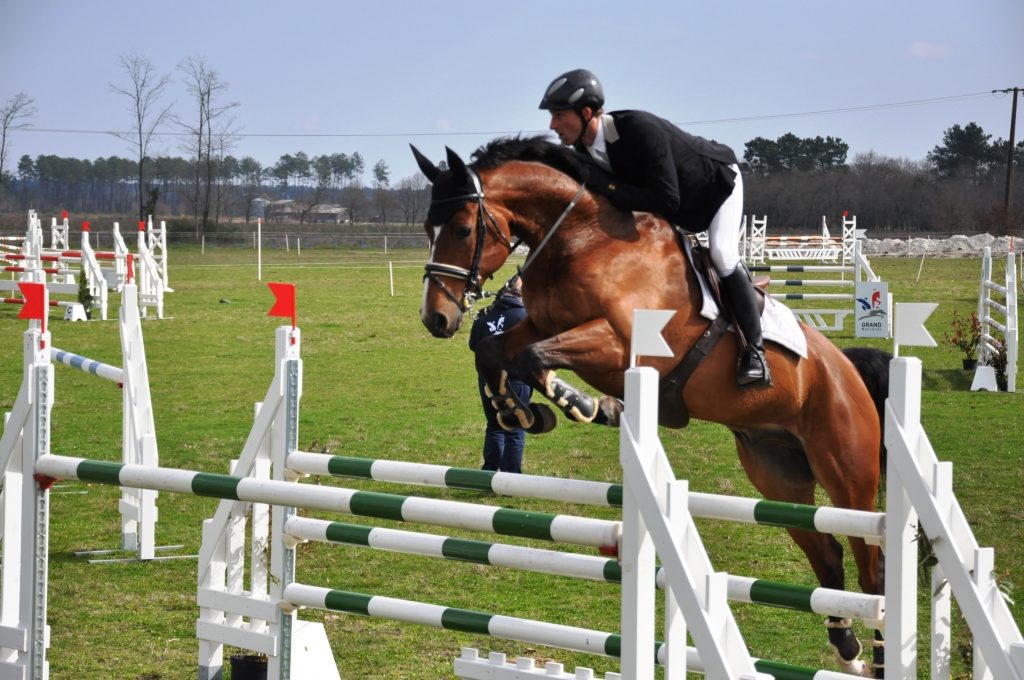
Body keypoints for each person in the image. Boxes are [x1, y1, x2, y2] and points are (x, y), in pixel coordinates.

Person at [539, 69, 771, 388]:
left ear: (586, 113)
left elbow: (667, 198)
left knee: (721, 253)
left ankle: (755, 353)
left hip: (715, 187)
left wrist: (606, 186)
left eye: (558, 115)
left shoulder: (637, 129)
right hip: (677, 208)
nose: (552, 125)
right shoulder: (584, 152)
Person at [468, 276, 533, 472]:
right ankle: (511, 478)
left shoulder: (483, 315)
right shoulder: (526, 317)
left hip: (488, 381)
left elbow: (473, 345)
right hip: (516, 380)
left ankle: (489, 471)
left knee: (494, 425)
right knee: (515, 430)